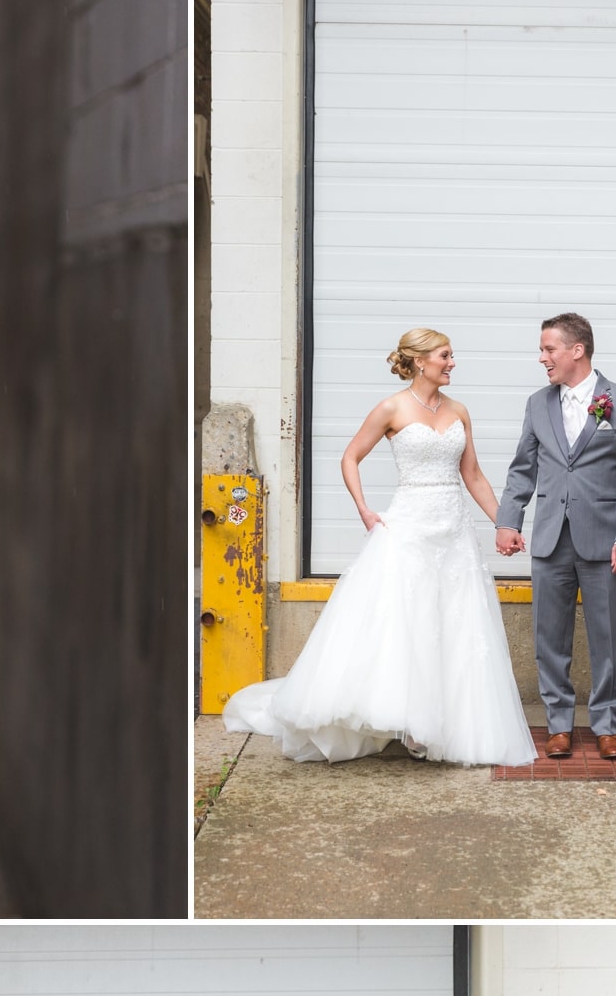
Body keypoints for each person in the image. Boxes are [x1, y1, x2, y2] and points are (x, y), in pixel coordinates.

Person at [222, 328, 532, 769]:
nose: (452, 363)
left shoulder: (460, 411)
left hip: (454, 533)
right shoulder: (391, 407)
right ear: (421, 360)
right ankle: (410, 724)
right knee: (407, 624)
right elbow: (350, 456)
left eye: (451, 356)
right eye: (445, 356)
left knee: (453, 625)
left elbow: (474, 475)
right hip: (407, 529)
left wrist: (504, 523)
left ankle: (440, 727)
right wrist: (365, 511)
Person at [493, 312, 616, 762]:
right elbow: (523, 467)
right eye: (543, 350)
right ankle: (558, 724)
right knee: (549, 637)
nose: (542, 358)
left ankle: (607, 725)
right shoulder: (538, 403)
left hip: (604, 541)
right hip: (549, 540)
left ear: (576, 350)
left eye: (549, 349)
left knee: (608, 637)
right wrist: (509, 520)